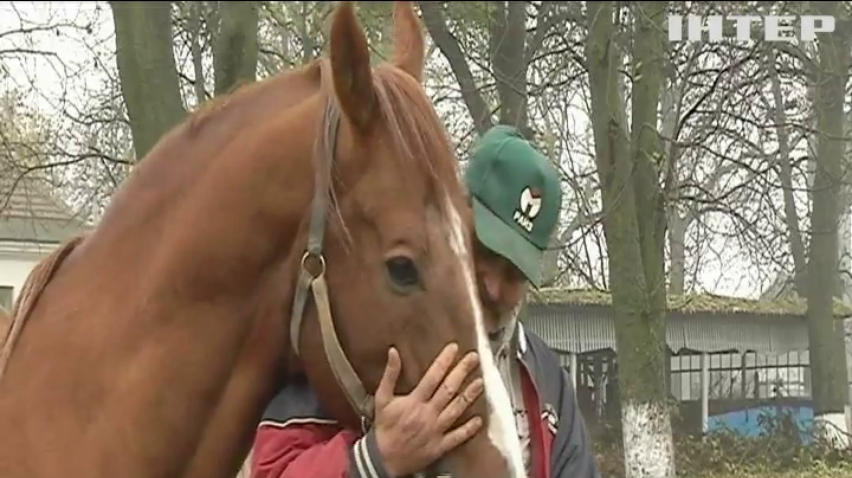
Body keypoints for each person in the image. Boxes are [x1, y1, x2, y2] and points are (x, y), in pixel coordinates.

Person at [250, 125, 601, 478]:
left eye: (514, 272)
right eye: (484, 250)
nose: (493, 286)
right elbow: (272, 471)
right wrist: (373, 459)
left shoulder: (546, 381)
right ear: (451, 219)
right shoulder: (365, 339)